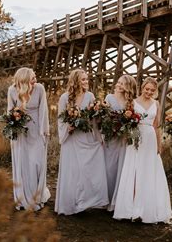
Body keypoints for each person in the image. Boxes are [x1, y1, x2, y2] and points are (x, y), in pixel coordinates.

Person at [113, 77, 172, 223]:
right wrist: (128, 137)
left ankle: (146, 208)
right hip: (136, 139)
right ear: (142, 88)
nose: (149, 92)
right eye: (147, 89)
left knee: (148, 172)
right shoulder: (133, 102)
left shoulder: (156, 103)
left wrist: (159, 145)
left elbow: (157, 126)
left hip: (150, 140)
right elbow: (128, 123)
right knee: (134, 171)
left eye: (152, 90)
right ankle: (131, 207)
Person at [55, 69, 109, 215]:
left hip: (86, 137)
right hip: (71, 138)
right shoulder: (65, 98)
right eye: (83, 79)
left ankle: (85, 201)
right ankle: (71, 203)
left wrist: (99, 115)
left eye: (87, 79)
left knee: (87, 170)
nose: (86, 82)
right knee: (73, 170)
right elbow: (60, 119)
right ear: (75, 81)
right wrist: (68, 126)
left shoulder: (90, 96)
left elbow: (94, 119)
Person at [7, 67, 50, 211]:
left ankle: (37, 195)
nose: (35, 79)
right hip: (20, 132)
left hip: (36, 130)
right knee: (24, 163)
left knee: (37, 163)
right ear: (24, 80)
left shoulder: (39, 89)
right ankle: (24, 197)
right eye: (33, 77)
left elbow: (44, 109)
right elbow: (9, 111)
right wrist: (14, 122)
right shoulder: (12, 90)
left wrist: (44, 131)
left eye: (35, 76)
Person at [104, 75, 137, 211]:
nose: (118, 85)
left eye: (122, 84)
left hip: (123, 139)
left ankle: (117, 201)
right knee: (109, 168)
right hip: (111, 137)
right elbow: (104, 118)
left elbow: (134, 121)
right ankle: (106, 198)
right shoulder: (109, 98)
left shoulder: (131, 103)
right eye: (118, 82)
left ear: (128, 87)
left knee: (122, 168)